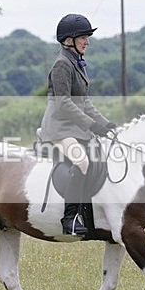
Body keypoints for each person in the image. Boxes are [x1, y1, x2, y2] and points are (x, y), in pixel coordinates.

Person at [39, 13, 117, 235]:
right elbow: (63, 104)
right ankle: (70, 218)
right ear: (69, 40)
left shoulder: (76, 63)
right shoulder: (62, 65)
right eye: (83, 37)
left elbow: (85, 103)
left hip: (73, 128)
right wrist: (92, 125)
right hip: (59, 129)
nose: (87, 42)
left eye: (87, 37)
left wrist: (105, 124)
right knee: (82, 161)